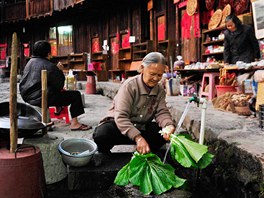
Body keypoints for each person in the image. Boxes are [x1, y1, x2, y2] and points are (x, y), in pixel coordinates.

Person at [93, 52, 176, 154]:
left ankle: (146, 152)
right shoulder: (129, 86)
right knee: (102, 134)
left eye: (159, 75)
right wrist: (138, 138)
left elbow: (162, 112)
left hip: (142, 127)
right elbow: (121, 117)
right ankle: (104, 155)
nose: (156, 78)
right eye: (152, 74)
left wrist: (168, 125)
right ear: (142, 68)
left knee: (161, 133)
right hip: (120, 128)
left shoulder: (159, 90)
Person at [19, 40, 91, 131]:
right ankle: (75, 123)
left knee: (52, 90)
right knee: (75, 95)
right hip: (41, 98)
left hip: (26, 96)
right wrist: (59, 70)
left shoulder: (29, 63)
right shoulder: (49, 66)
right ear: (48, 53)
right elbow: (60, 85)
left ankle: (58, 111)